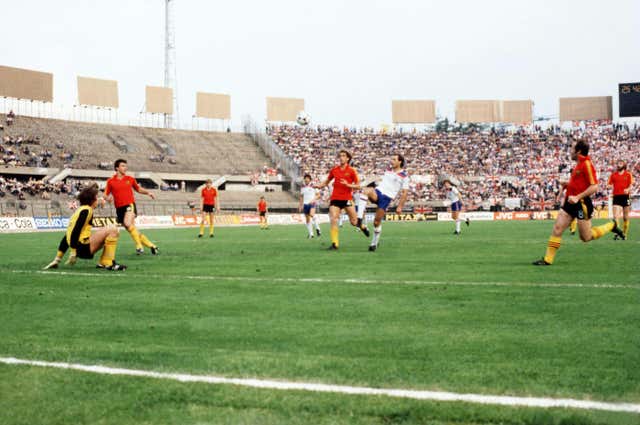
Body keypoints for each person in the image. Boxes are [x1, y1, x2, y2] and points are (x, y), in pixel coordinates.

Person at [533, 139, 624, 265]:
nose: (570, 151)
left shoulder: (587, 164)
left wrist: (577, 197)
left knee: (586, 237)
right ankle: (548, 260)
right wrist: (566, 185)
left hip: (581, 204)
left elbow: (594, 187)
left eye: (572, 148)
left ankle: (611, 225)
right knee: (557, 228)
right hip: (569, 203)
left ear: (578, 151)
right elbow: (578, 184)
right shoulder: (578, 165)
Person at [44, 184, 126, 271]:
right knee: (113, 229)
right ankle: (108, 263)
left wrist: (57, 259)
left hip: (81, 247)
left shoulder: (81, 210)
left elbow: (68, 235)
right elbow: (76, 231)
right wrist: (74, 252)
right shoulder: (87, 211)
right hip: (83, 248)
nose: (97, 200)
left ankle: (104, 262)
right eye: (96, 198)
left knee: (107, 229)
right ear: (91, 200)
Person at [347, 153, 409, 251]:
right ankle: (359, 220)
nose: (391, 161)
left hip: (386, 198)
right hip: (378, 192)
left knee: (376, 222)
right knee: (365, 191)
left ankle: (374, 243)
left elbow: (405, 192)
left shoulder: (404, 176)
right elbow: (378, 176)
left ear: (399, 161)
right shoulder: (388, 170)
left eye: (393, 159)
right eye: (391, 159)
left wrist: (400, 206)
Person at [316, 150, 369, 250]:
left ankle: (362, 227)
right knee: (333, 219)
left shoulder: (352, 170)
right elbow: (327, 181)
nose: (341, 157)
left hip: (347, 199)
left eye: (343, 156)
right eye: (340, 156)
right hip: (335, 198)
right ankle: (335, 244)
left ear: (348, 158)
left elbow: (358, 186)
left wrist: (348, 184)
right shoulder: (334, 170)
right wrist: (319, 186)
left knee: (354, 222)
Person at [104, 159, 159, 255]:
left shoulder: (130, 179)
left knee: (127, 223)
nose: (125, 168)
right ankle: (152, 246)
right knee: (131, 228)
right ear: (117, 168)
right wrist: (107, 198)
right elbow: (105, 194)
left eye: (126, 166)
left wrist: (148, 192)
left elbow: (138, 189)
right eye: (123, 166)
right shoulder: (110, 181)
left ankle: (139, 247)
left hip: (129, 205)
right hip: (119, 208)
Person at [607, 160, 633, 240]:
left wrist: (628, 189)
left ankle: (624, 233)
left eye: (620, 163)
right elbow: (608, 184)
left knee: (625, 217)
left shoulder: (628, 174)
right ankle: (618, 234)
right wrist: (609, 186)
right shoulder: (613, 175)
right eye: (618, 163)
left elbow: (631, 185)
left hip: (626, 197)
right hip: (616, 197)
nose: (618, 165)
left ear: (624, 165)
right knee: (615, 217)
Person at [299, 174, 321, 238]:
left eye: (307, 178)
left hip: (312, 203)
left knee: (312, 215)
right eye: (305, 178)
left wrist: (313, 199)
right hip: (305, 204)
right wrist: (300, 205)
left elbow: (319, 195)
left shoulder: (313, 186)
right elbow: (301, 196)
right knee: (307, 219)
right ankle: (311, 234)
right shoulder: (302, 187)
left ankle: (318, 228)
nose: (306, 179)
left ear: (310, 179)